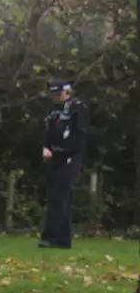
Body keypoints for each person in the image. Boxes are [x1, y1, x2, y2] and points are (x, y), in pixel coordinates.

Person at [39, 78, 88, 249]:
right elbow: (47, 131)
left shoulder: (77, 108)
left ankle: (49, 237)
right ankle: (63, 240)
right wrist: (46, 147)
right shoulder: (52, 109)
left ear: (67, 92)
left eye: (58, 94)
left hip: (70, 157)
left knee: (59, 197)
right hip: (55, 157)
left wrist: (68, 151)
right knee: (59, 197)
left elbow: (80, 135)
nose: (55, 98)